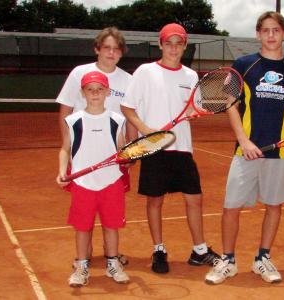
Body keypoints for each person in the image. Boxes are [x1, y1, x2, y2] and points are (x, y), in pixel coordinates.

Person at [205, 11, 284, 285]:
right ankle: (227, 260)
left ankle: (262, 258)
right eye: (265, 30)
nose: (271, 35)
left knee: (274, 205)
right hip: (247, 150)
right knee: (231, 206)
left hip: (282, 151)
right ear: (258, 34)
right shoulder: (244, 65)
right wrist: (243, 139)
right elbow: (230, 104)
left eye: (276, 30)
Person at [121, 23, 219, 274]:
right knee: (155, 201)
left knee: (194, 199)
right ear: (161, 44)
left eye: (179, 43)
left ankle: (199, 251)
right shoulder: (145, 72)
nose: (174, 48)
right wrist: (147, 130)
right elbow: (127, 107)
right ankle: (159, 249)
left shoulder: (190, 76)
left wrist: (195, 113)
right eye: (169, 43)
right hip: (154, 147)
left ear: (185, 46)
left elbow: (191, 109)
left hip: (183, 148)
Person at [56, 27, 135, 266]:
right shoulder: (80, 72)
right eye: (107, 48)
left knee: (110, 208)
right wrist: (68, 149)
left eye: (116, 49)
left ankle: (111, 255)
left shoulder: (128, 80)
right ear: (97, 49)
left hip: (113, 156)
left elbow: (129, 115)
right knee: (86, 209)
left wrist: (130, 150)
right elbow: (65, 110)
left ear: (121, 53)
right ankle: (84, 256)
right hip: (84, 152)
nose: (111, 53)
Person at [56, 71, 130, 287]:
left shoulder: (117, 120)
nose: (95, 93)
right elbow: (64, 149)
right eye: (90, 89)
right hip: (83, 185)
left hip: (111, 183)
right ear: (82, 93)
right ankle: (81, 267)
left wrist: (125, 159)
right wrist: (62, 170)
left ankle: (113, 264)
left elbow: (121, 150)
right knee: (82, 228)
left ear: (108, 92)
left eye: (100, 89)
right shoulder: (73, 121)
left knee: (111, 226)